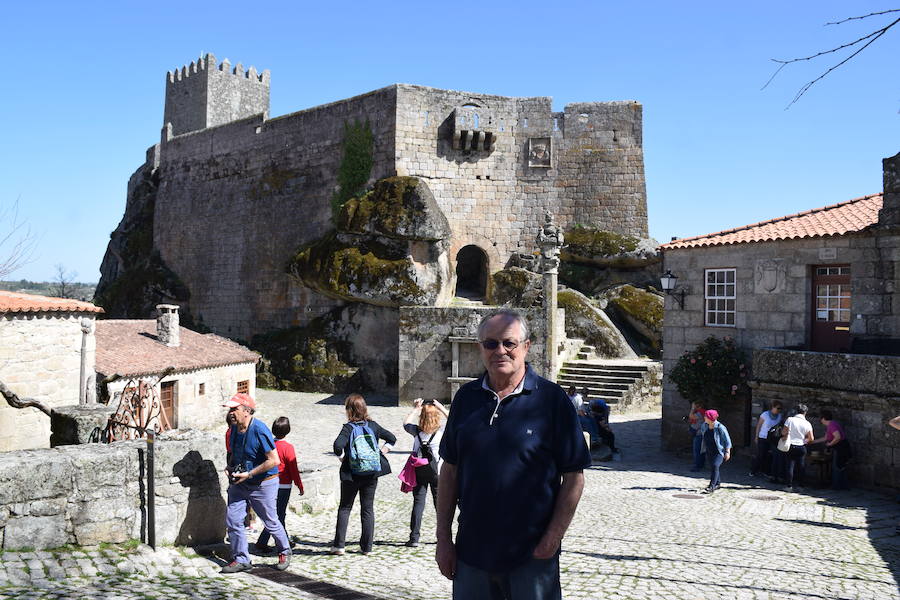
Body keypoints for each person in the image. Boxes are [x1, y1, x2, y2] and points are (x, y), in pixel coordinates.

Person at [436, 309, 591, 600]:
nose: (500, 351)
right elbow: (450, 470)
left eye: (509, 343)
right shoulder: (466, 399)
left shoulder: (552, 401)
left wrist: (552, 538)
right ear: (480, 347)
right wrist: (443, 539)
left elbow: (574, 477)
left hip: (532, 556)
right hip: (472, 552)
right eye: (491, 344)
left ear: (526, 346)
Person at [221, 393, 291, 573]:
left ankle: (284, 550)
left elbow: (274, 460)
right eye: (230, 409)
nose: (231, 413)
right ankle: (242, 559)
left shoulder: (260, 429)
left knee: (270, 521)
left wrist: (250, 474)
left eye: (234, 409)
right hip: (240, 483)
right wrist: (230, 467)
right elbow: (236, 454)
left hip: (263, 484)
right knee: (233, 519)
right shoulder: (235, 428)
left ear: (247, 411)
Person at [331, 393, 396, 556]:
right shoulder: (373, 426)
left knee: (345, 507)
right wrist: (383, 450)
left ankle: (339, 546)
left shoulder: (348, 428)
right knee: (367, 509)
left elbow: (337, 446)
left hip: (351, 474)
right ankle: (366, 548)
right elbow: (392, 438)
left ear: (349, 411)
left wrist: (342, 458)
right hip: (371, 473)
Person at [403, 397, 449, 547]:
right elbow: (453, 419)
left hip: (419, 470)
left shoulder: (416, 431)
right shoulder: (441, 431)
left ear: (422, 417)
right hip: (437, 471)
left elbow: (405, 423)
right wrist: (441, 407)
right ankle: (442, 537)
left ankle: (414, 538)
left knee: (418, 503)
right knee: (440, 505)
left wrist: (416, 409)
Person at [255, 417, 304, 552]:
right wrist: (299, 484)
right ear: (288, 431)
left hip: (269, 483)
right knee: (278, 514)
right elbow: (293, 468)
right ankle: (278, 542)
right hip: (283, 485)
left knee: (275, 513)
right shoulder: (288, 448)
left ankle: (277, 540)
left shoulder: (269, 445)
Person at [811, 410, 851, 490]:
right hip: (841, 447)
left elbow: (838, 437)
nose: (820, 420)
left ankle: (837, 486)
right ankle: (842, 486)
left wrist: (830, 444)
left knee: (837, 467)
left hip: (841, 448)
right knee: (840, 466)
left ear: (823, 418)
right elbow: (825, 438)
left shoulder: (831, 425)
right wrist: (813, 442)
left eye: (821, 418)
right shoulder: (831, 425)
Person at [781, 403, 814, 492]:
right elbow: (811, 438)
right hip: (801, 446)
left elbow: (783, 432)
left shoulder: (790, 420)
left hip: (790, 445)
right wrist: (804, 441)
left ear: (796, 411)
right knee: (801, 467)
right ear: (805, 412)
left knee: (790, 466)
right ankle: (801, 486)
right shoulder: (807, 423)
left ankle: (789, 486)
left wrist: (788, 434)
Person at [699, 409, 731, 494]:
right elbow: (703, 435)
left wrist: (727, 452)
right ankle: (718, 483)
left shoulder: (720, 427)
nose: (704, 417)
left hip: (719, 452)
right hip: (709, 451)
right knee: (714, 467)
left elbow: (727, 440)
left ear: (710, 418)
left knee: (715, 465)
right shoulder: (704, 425)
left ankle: (711, 486)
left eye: (706, 416)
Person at [750, 401, 783, 477]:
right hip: (763, 437)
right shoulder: (765, 415)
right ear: (773, 407)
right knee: (761, 454)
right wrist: (756, 436)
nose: (779, 410)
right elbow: (758, 426)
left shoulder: (779, 416)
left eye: (780, 409)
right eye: (777, 408)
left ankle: (766, 471)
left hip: (773, 438)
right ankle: (754, 470)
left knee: (769, 455)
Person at [687, 401, 705, 472]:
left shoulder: (700, 412)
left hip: (699, 434)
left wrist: (692, 408)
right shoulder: (702, 412)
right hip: (701, 433)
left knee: (697, 451)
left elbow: (691, 416)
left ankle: (697, 466)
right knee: (701, 450)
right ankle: (701, 464)